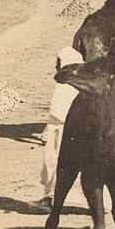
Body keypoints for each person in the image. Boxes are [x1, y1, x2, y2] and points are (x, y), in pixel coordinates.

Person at [40, 47, 85, 209]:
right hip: (82, 132)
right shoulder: (86, 84)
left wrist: (47, 131)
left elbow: (57, 113)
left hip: (63, 132)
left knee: (56, 162)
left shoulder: (64, 85)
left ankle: (51, 199)